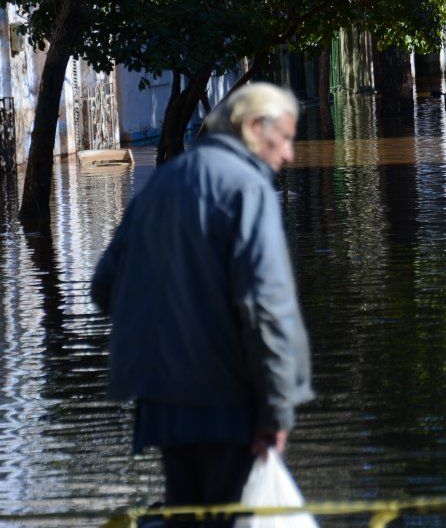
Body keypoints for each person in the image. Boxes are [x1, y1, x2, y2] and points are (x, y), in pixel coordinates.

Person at [92, 82, 313, 527]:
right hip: (227, 404)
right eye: (284, 138)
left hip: (164, 403)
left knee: (185, 515)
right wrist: (276, 412)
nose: (288, 154)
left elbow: (104, 287)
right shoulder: (248, 189)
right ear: (253, 128)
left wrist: (173, 315)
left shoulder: (160, 185)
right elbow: (265, 309)